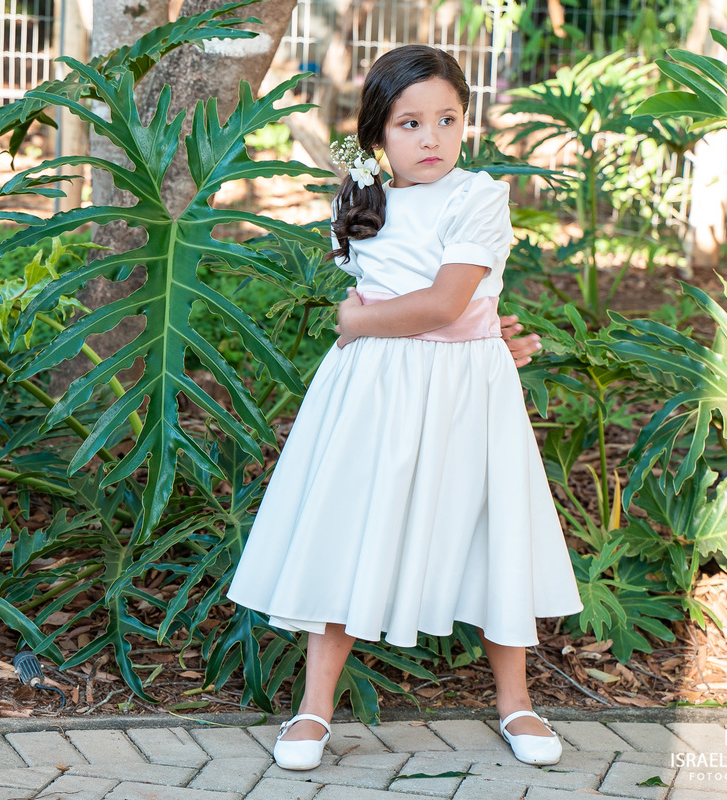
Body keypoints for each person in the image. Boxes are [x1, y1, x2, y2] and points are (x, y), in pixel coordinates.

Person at [226, 44, 582, 771]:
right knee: (352, 529)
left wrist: (359, 321)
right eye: (410, 123)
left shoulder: (478, 194)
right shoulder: (362, 203)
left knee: (490, 529)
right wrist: (449, 322)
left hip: (466, 392)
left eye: (447, 119)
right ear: (378, 136)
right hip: (373, 395)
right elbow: (427, 305)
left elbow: (448, 300)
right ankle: (314, 707)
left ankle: (516, 701)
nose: (431, 138)